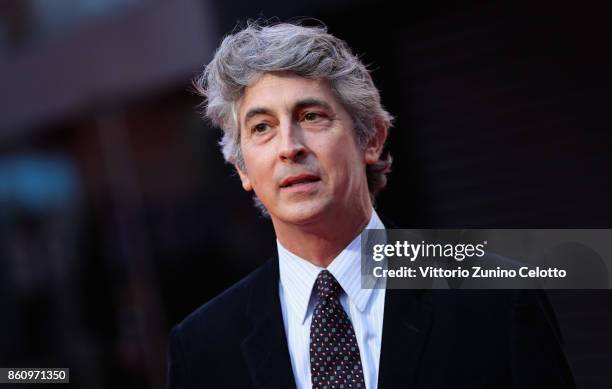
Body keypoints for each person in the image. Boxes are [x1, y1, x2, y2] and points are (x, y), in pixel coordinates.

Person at [167, 21, 576, 389]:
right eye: (262, 128)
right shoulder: (201, 347)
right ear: (242, 167)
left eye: (311, 116)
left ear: (372, 139)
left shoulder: (495, 296)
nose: (289, 147)